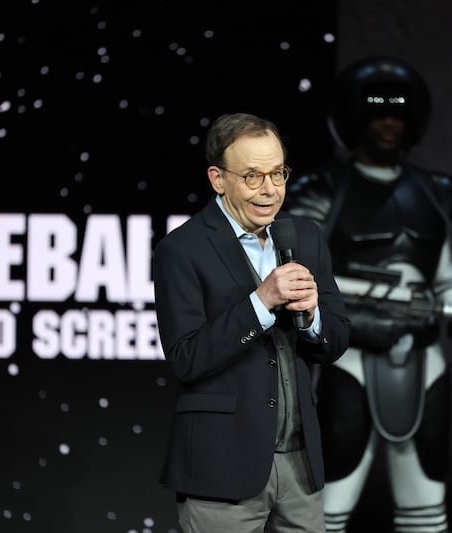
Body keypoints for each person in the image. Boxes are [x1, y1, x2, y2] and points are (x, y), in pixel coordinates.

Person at [285, 56, 452, 533]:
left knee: (425, 506)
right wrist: (356, 320)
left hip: (423, 361)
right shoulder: (321, 190)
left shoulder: (433, 193)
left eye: (398, 114)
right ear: (354, 118)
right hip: (348, 358)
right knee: (326, 506)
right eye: (376, 113)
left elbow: (445, 276)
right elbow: (295, 279)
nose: (389, 124)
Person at [153, 112, 351, 533]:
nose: (270, 190)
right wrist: (261, 303)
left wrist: (312, 317)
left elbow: (336, 340)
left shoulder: (305, 237)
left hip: (300, 466)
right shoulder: (182, 249)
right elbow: (187, 357)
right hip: (221, 469)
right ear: (218, 179)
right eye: (252, 177)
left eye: (278, 173)